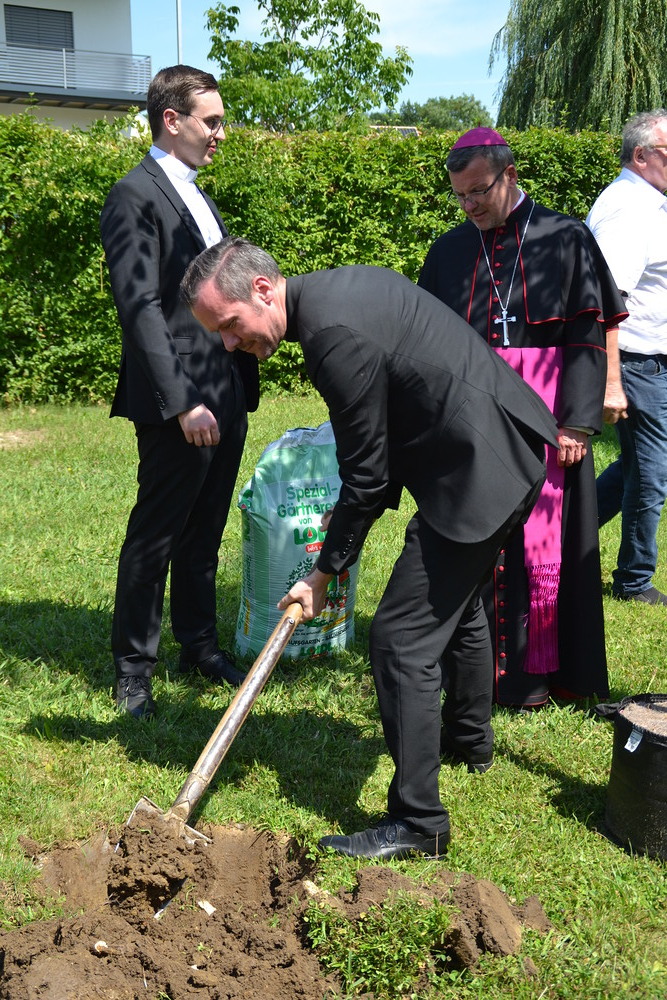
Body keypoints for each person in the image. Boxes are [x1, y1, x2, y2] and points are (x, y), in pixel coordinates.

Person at [180, 236, 559, 860]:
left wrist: (324, 571)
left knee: (401, 639)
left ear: (263, 290)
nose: (227, 343)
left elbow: (367, 474)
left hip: (479, 471)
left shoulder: (332, 336)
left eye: (228, 324)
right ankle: (469, 741)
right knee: (457, 602)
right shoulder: (338, 291)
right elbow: (384, 433)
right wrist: (355, 510)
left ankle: (418, 822)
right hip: (496, 448)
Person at [418, 127, 627, 710]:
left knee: (549, 543)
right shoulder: (448, 251)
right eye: (460, 195)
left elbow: (587, 331)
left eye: (479, 191)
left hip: (548, 417)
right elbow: (429, 342)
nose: (469, 205)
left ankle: (549, 674)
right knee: (478, 541)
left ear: (509, 175)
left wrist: (577, 421)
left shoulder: (565, 236)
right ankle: (481, 673)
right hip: (475, 420)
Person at [100, 66, 259, 718]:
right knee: (156, 536)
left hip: (225, 390)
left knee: (205, 531)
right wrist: (182, 401)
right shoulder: (133, 196)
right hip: (181, 402)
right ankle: (133, 672)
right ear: (172, 120)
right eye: (211, 121)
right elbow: (138, 306)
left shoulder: (196, 194)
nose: (221, 133)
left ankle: (199, 647)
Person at [586, 110, 667, 605]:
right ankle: (634, 581)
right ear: (642, 155)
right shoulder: (628, 209)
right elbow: (605, 302)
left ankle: (565, 535)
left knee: (643, 465)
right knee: (651, 473)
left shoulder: (647, 203)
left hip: (651, 360)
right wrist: (611, 380)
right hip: (635, 363)